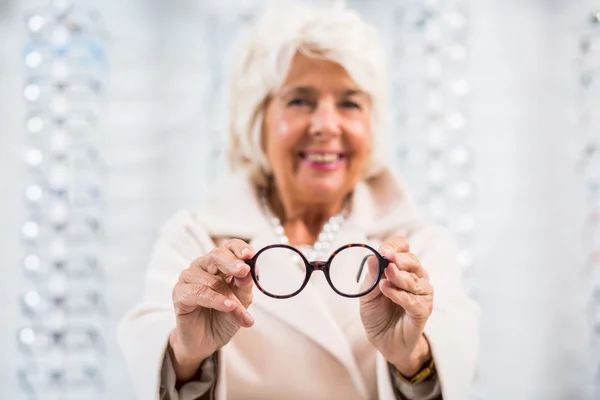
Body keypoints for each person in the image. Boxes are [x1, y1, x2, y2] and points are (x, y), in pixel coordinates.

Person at [117, 4, 479, 400]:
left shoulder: (421, 247)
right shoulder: (193, 239)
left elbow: (454, 380)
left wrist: (412, 358)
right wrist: (187, 355)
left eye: (350, 103)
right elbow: (147, 369)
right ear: (258, 120)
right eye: (300, 101)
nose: (326, 125)